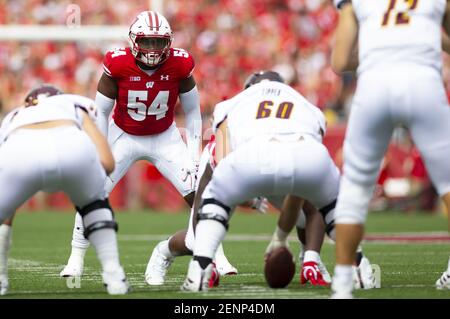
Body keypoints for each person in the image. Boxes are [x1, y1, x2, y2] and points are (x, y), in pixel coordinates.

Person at [60, 11, 203, 280]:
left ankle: (213, 255)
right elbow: (101, 112)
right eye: (147, 41)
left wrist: (194, 156)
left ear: (168, 43)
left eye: (158, 42)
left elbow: (194, 111)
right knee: (93, 192)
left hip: (164, 135)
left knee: (199, 193)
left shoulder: (180, 64)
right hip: (123, 134)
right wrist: (100, 149)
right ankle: (75, 256)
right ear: (134, 40)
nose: (152, 48)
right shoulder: (118, 63)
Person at [181, 70, 343, 291]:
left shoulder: (234, 105)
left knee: (213, 199)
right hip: (294, 158)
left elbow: (220, 160)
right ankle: (336, 263)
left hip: (248, 160)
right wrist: (280, 237)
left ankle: (202, 265)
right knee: (321, 206)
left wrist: (240, 193)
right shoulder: (303, 105)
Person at [331, 0, 450, 298]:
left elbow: (340, 60)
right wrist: (419, 39)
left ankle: (343, 284)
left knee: (354, 189)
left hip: (375, 84)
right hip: (423, 81)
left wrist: (379, 49)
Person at [0, 85, 129, 295]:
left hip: (21, 150)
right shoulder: (75, 104)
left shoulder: (14, 116)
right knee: (96, 204)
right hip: (71, 144)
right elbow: (107, 162)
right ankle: (115, 277)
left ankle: (1, 280)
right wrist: (90, 190)